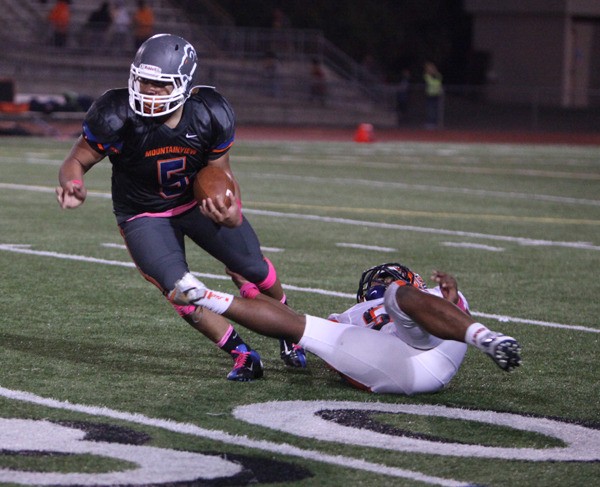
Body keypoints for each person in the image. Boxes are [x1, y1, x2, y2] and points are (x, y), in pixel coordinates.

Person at [55, 33, 306, 382]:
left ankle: (289, 329)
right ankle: (242, 354)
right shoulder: (116, 112)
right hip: (144, 214)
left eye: (160, 84)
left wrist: (231, 205)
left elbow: (221, 171)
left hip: (194, 203)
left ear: (184, 84)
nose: (148, 90)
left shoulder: (209, 112)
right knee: (180, 289)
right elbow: (76, 159)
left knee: (251, 267)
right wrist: (73, 183)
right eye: (143, 80)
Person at [169, 262, 523, 395]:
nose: (381, 280)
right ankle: (204, 296)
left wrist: (451, 300)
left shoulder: (421, 292)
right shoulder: (352, 313)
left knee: (405, 296)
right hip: (397, 364)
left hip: (437, 341)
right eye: (379, 278)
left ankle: (487, 338)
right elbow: (300, 329)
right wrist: (247, 288)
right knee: (300, 327)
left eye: (387, 275)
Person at [423, 61, 443, 129]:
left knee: (436, 109)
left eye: (432, 68)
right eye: (429, 68)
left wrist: (436, 82)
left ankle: (435, 123)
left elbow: (437, 83)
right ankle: (430, 122)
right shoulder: (426, 75)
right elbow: (432, 83)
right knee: (430, 109)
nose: (430, 69)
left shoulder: (438, 75)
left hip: (436, 95)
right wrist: (436, 83)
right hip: (429, 95)